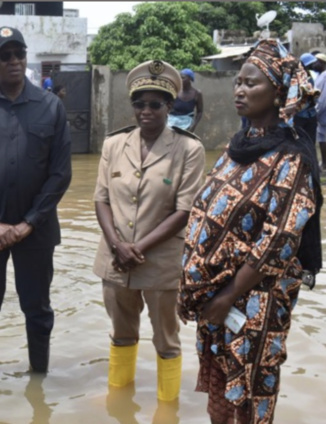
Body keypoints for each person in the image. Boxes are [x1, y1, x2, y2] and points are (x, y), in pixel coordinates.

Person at [179, 39, 322, 424]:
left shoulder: (292, 159)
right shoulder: (236, 146)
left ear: (278, 93)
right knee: (222, 394)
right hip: (218, 300)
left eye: (251, 83)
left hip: (255, 300)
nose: (239, 89)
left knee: (251, 388)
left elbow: (278, 241)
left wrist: (227, 296)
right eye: (237, 82)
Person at [0, 26, 72, 374]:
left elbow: (60, 174)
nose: (14, 61)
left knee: (38, 311)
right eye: (5, 56)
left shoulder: (51, 107)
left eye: (19, 53)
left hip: (36, 232)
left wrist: (27, 223)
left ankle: (39, 384)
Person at [93, 59, 205, 402]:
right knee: (121, 334)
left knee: (166, 341)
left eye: (155, 104)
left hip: (160, 264)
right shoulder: (114, 145)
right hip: (116, 260)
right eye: (138, 103)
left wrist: (136, 248)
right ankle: (118, 402)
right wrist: (118, 246)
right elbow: (101, 199)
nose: (145, 111)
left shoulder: (189, 149)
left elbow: (184, 211)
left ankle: (166, 409)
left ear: (170, 107)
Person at [167, 68, 203, 132]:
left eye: (183, 78)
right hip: (171, 122)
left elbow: (200, 112)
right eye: (179, 77)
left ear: (190, 79)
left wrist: (193, 126)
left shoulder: (197, 94)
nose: (180, 80)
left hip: (186, 123)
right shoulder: (175, 91)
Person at [314, 53, 326, 170]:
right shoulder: (321, 75)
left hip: (323, 113)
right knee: (322, 138)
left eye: (317, 62)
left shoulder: (325, 76)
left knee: (323, 138)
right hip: (322, 113)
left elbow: (323, 98)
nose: (314, 64)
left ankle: (324, 164)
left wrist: (316, 112)